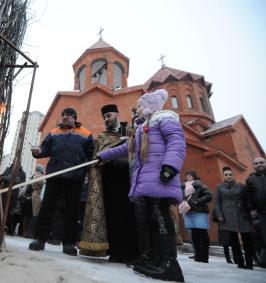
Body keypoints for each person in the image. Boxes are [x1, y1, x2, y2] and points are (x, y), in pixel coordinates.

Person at [99, 89, 185, 282]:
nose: (135, 110)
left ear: (149, 105)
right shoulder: (143, 127)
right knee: (152, 219)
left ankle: (170, 265)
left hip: (160, 176)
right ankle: (157, 259)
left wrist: (170, 166)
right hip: (147, 179)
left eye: (139, 106)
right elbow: (126, 148)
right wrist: (103, 156)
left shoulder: (164, 118)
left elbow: (176, 141)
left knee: (161, 217)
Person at [28, 107, 94, 256]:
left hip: (75, 178)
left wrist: (88, 172)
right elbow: (44, 149)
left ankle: (69, 243)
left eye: (69, 115)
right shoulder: (53, 133)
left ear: (75, 118)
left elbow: (91, 155)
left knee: (71, 211)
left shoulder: (86, 134)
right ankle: (40, 239)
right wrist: (37, 151)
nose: (65, 117)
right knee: (47, 208)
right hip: (54, 176)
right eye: (63, 115)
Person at [80, 104, 138, 263]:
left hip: (129, 178)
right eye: (104, 117)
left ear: (117, 114)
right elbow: (96, 157)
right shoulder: (102, 137)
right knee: (112, 215)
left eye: (109, 115)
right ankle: (116, 252)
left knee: (129, 215)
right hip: (110, 179)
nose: (106, 119)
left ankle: (132, 253)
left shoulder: (131, 131)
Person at [215, 166, 255, 269]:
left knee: (247, 240)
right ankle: (240, 262)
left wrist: (250, 211)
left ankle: (249, 262)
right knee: (234, 241)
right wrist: (219, 214)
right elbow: (217, 202)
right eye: (226, 175)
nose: (228, 176)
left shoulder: (241, 186)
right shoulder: (219, 187)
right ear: (223, 176)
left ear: (233, 175)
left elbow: (247, 200)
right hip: (228, 216)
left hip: (242, 214)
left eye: (230, 174)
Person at [180, 171, 212, 263]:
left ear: (194, 177)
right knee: (194, 234)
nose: (188, 177)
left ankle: (205, 256)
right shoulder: (183, 187)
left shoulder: (200, 185)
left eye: (190, 176)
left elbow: (209, 195)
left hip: (200, 211)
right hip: (189, 211)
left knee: (202, 233)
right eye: (187, 176)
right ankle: (198, 256)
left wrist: (197, 201)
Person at [246, 157, 266, 268]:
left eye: (261, 162)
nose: (259, 165)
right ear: (253, 166)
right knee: (263, 237)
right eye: (256, 163)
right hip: (261, 213)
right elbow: (249, 196)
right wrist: (251, 209)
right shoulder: (251, 179)